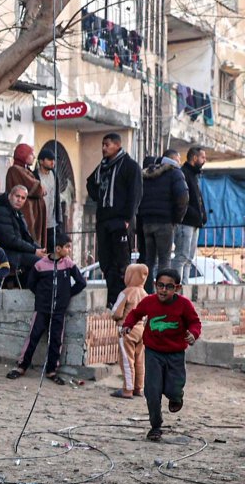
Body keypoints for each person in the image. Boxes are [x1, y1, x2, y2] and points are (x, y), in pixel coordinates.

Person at [120, 267, 202, 442]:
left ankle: (176, 397)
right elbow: (136, 313)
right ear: (155, 285)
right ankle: (155, 426)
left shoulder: (184, 305)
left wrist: (193, 334)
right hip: (153, 352)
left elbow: (195, 322)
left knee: (173, 387)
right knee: (152, 390)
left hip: (176, 353)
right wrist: (128, 325)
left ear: (177, 288)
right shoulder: (149, 302)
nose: (164, 290)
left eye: (169, 287)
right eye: (161, 286)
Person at [6, 235, 86, 385]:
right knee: (33, 336)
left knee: (56, 339)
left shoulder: (68, 264)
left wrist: (67, 295)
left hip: (59, 310)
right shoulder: (40, 265)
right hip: (42, 308)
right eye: (67, 247)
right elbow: (31, 283)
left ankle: (51, 370)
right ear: (58, 248)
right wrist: (42, 296)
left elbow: (81, 282)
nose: (69, 249)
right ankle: (22, 367)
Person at [87, 132, 142, 308]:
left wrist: (127, 218)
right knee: (105, 261)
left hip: (120, 222)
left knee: (121, 264)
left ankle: (123, 300)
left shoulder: (130, 166)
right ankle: (112, 300)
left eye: (107, 145)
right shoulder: (103, 167)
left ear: (117, 145)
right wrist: (99, 197)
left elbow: (135, 194)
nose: (104, 148)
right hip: (104, 221)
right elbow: (90, 182)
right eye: (103, 145)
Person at [137, 149, 189, 280]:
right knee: (164, 261)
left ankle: (147, 294)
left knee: (149, 260)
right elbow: (183, 197)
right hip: (165, 222)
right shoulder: (175, 173)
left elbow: (138, 196)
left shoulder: (146, 174)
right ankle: (162, 294)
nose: (179, 162)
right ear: (172, 159)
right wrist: (177, 218)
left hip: (147, 222)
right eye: (178, 159)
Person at [110, 261, 150, 400]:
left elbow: (116, 312)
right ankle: (139, 388)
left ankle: (127, 389)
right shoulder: (145, 293)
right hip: (141, 329)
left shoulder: (126, 292)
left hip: (126, 330)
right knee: (139, 360)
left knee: (127, 360)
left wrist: (115, 317)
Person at [0, 183, 43, 282]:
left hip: (15, 252)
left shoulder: (17, 213)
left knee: (47, 260)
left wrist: (41, 250)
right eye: (17, 196)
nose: (19, 200)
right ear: (10, 196)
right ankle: (35, 290)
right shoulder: (1, 212)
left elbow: (26, 238)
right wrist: (34, 251)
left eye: (23, 198)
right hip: (4, 254)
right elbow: (10, 240)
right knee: (41, 263)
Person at [6, 143, 48, 246]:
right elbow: (36, 188)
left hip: (34, 213)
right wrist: (40, 188)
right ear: (23, 155)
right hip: (26, 213)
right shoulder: (15, 170)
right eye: (31, 154)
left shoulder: (25, 170)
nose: (34, 157)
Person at [177, 146, 209, 279]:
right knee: (182, 256)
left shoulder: (194, 175)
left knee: (189, 257)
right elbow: (181, 200)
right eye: (203, 157)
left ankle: (185, 286)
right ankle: (177, 286)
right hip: (186, 223)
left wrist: (202, 216)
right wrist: (195, 214)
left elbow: (198, 199)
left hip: (194, 223)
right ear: (194, 158)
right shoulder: (183, 173)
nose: (204, 160)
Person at [37, 145, 68, 248]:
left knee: (54, 251)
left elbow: (57, 198)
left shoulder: (54, 175)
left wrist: (59, 219)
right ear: (41, 161)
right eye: (50, 159)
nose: (53, 162)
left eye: (54, 160)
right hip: (39, 222)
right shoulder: (34, 176)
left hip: (53, 222)